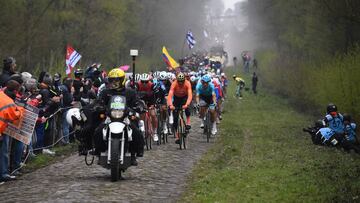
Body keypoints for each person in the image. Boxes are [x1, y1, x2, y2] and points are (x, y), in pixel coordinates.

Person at [95, 68, 144, 165]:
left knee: (136, 132)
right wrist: (99, 106)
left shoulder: (130, 92)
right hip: (110, 117)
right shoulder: (105, 92)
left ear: (122, 80)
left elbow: (137, 101)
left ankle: (134, 153)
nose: (114, 82)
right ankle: (99, 153)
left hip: (125, 117)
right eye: (112, 80)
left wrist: (139, 106)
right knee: (98, 131)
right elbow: (99, 101)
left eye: (116, 80)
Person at [0, 80, 24, 182]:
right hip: (1, 129)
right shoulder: (9, 102)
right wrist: (21, 109)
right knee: (3, 152)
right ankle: (4, 173)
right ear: (15, 91)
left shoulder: (1, 94)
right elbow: (16, 115)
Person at [167, 72, 192, 144]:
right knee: (175, 119)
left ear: (184, 80)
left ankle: (188, 122)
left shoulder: (187, 83)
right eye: (179, 81)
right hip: (176, 99)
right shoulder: (174, 84)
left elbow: (190, 95)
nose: (180, 83)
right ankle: (177, 136)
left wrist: (187, 104)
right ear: (177, 80)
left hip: (184, 98)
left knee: (187, 108)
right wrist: (171, 105)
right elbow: (170, 95)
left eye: (182, 81)